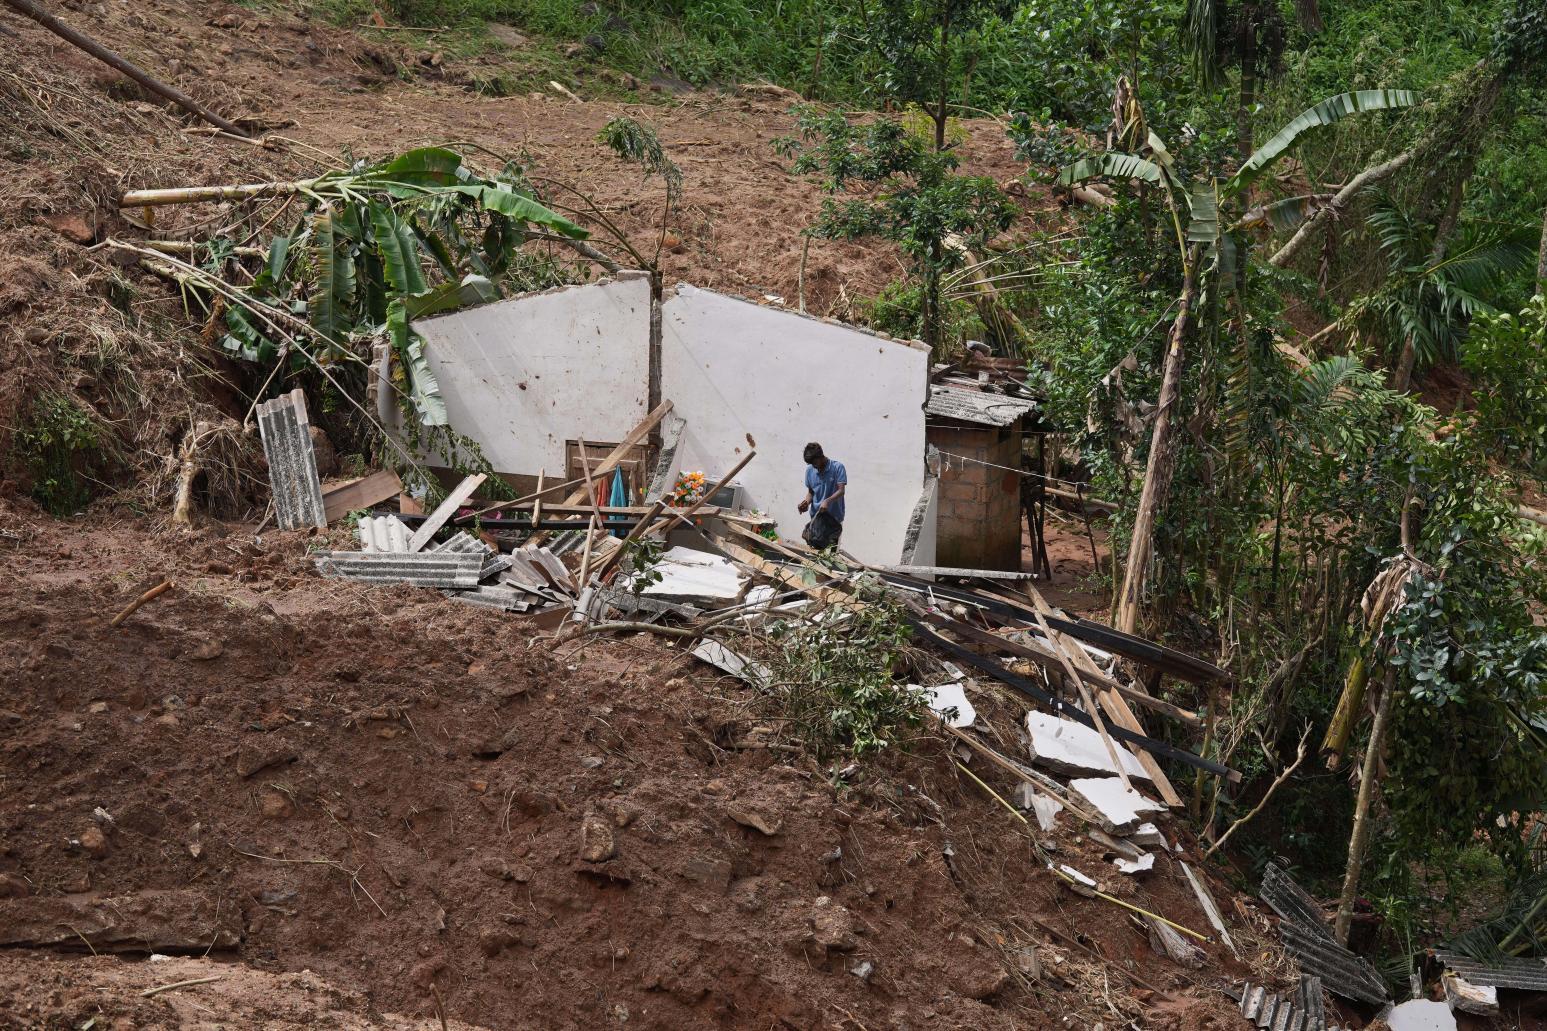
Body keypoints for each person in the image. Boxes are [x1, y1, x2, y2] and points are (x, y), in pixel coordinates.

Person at [797, 442, 847, 549]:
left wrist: (827, 501)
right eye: (811, 464)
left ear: (821, 456)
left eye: (814, 463)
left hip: (833, 520)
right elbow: (811, 492)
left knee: (829, 554)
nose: (813, 466)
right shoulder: (810, 470)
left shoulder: (837, 467)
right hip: (817, 518)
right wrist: (806, 502)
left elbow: (841, 491)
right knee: (814, 552)